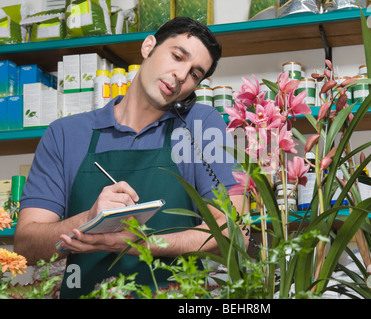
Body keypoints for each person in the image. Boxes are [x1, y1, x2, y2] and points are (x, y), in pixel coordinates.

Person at [14, 17, 248, 298]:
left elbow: (235, 230)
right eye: (176, 56)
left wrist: (145, 244)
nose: (181, 75)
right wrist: (89, 219)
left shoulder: (200, 126)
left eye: (195, 74)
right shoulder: (65, 134)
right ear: (148, 46)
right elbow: (26, 245)